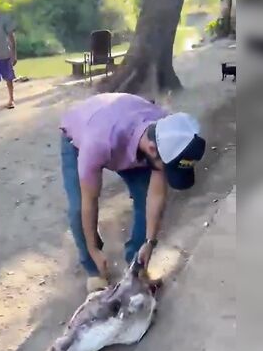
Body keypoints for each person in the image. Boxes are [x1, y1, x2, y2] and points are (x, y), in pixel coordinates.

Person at [60, 93, 206, 293]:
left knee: (144, 195)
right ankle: (94, 269)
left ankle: (136, 266)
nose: (166, 174)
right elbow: (89, 201)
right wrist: (93, 248)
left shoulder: (165, 132)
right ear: (153, 150)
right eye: (168, 168)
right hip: (81, 135)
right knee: (78, 209)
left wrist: (149, 243)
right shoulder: (98, 142)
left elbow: (155, 196)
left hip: (128, 133)